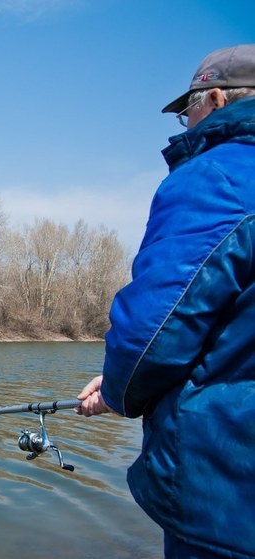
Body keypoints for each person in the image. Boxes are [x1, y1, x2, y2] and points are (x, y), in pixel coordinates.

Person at [76, 45, 255, 559]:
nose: (183, 123)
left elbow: (150, 333)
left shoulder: (217, 178)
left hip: (230, 500)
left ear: (216, 99)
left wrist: (117, 390)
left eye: (188, 109)